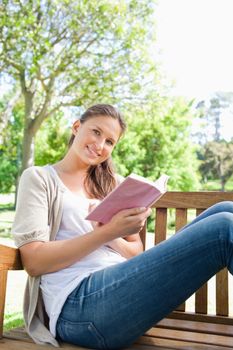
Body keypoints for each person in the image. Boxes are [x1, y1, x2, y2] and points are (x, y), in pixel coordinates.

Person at [12, 103, 233, 350]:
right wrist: (106, 231)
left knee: (226, 209)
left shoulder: (112, 184)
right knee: (224, 228)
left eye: (109, 141)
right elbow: (34, 261)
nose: (100, 145)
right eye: (96, 132)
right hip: (78, 309)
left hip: (121, 294)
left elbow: (134, 252)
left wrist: (113, 235)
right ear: (76, 127)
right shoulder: (40, 178)